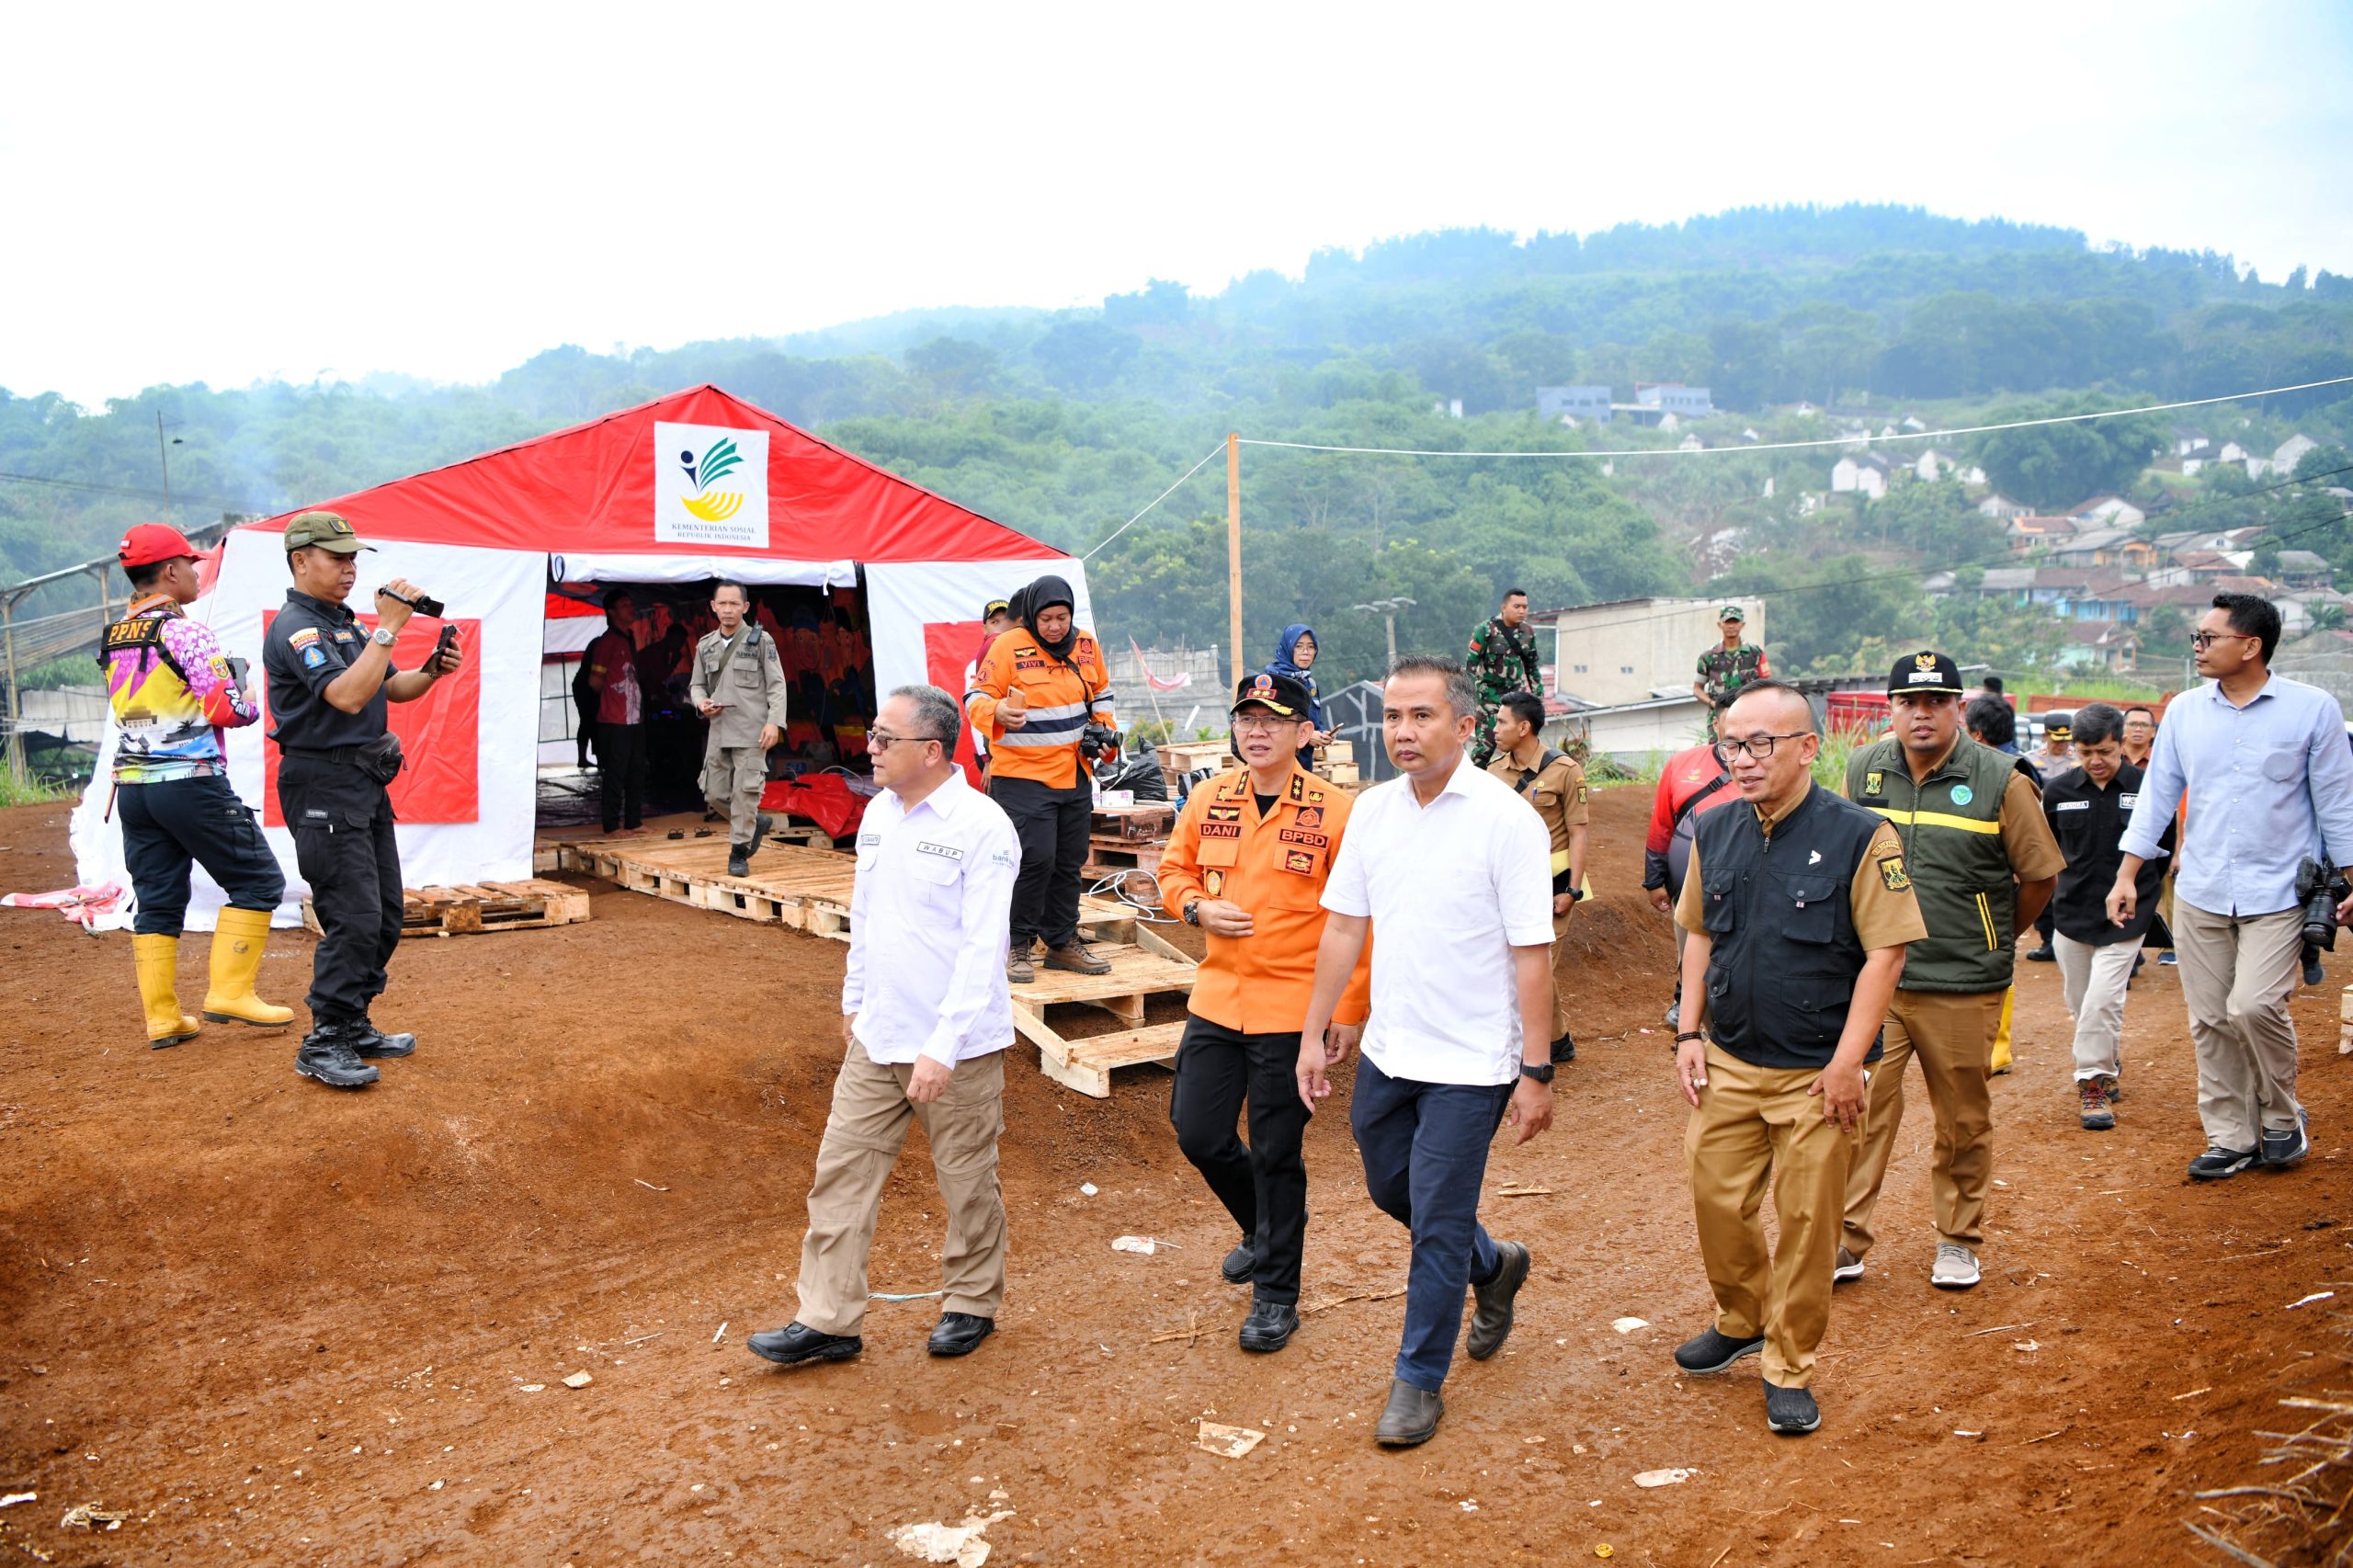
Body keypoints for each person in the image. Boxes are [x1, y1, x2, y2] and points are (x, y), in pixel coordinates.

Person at [1296, 655, 1555, 1448]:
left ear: (1466, 727)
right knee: (1389, 1188)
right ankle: (1494, 1264)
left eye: (1422, 716)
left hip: (1473, 1063)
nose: (1403, 733)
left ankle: (1417, 1382)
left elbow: (1533, 953)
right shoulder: (1374, 812)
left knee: (1436, 1224)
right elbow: (1344, 925)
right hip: (1390, 1047)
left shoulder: (1507, 821)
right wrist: (1315, 1030)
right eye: (1394, 717)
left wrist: (1535, 1070)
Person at [1671, 681, 1923, 1436]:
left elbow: (1886, 954)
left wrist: (1850, 1064)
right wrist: (1688, 1033)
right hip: (1733, 1060)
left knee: (1809, 1221)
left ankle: (1788, 1362)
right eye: (1730, 745)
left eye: (1759, 745)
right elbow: (1698, 935)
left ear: (1808, 748)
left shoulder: (1860, 836)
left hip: (1819, 1072)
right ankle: (1743, 1317)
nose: (1741, 761)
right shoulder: (1713, 830)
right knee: (1716, 1199)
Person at [747, 686, 1020, 1368]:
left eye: (882, 739)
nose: (869, 749)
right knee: (840, 1173)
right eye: (872, 736)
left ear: (931, 750)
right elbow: (866, 920)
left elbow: (982, 950)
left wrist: (942, 1048)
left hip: (955, 1048)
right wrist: (855, 998)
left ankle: (971, 1302)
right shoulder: (877, 818)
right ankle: (828, 1319)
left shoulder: (983, 827)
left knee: (966, 1180)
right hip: (879, 1034)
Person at [1158, 671, 1371, 1353]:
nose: (1256, 730)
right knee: (1197, 1132)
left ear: (1304, 734)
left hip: (1294, 1009)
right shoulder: (1208, 798)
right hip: (1219, 997)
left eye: (1274, 720)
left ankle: (1277, 1294)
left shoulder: (1340, 811)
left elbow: (1365, 920)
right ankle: (1262, 1226)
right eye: (1247, 718)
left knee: (1279, 1152)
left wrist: (1348, 1009)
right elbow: (1172, 871)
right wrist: (1194, 907)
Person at [2110, 592, 2353, 1179]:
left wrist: (2350, 878)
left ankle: (2279, 1117)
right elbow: (2157, 798)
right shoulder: (2186, 712)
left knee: (2254, 1004)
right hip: (2201, 889)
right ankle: (2230, 1136)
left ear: (2251, 645)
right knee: (2212, 1017)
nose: (2197, 647)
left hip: (2280, 892)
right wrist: (2126, 874)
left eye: (2208, 638)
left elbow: (2337, 803)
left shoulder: (2312, 710)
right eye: (2197, 637)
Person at [1840, 651, 2062, 1290]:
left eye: (1936, 701)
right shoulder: (1864, 769)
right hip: (1878, 982)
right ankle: (1847, 1241)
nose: (1922, 713)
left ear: (1959, 708)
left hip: (1962, 984)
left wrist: (1991, 937)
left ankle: (1958, 1240)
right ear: (1891, 709)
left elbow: (2039, 877)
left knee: (1962, 1119)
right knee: (1859, 1114)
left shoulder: (2001, 780)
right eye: (1908, 702)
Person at [262, 510, 464, 1090]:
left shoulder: (344, 624)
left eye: (354, 558)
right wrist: (389, 627)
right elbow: (348, 696)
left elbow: (389, 686)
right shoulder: (298, 628)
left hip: (361, 786)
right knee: (352, 917)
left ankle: (353, 1022)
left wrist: (431, 671)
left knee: (384, 916)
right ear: (301, 560)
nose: (351, 568)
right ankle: (323, 1040)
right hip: (323, 786)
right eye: (337, 557)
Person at [103, 524, 290, 1048]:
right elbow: (228, 711)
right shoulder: (185, 632)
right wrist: (246, 691)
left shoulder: (114, 634)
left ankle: (163, 1018)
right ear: (169, 572)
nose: (196, 571)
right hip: (189, 781)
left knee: (157, 898)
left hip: (135, 787)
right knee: (258, 881)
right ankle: (230, 993)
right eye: (191, 564)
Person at [966, 574, 1117, 983]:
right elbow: (976, 698)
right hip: (1023, 776)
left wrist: (1102, 729)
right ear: (1032, 615)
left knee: (1069, 862)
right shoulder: (1007, 646)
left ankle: (1062, 942)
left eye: (1062, 617)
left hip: (1075, 773)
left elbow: (1101, 693)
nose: (1054, 626)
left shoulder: (1086, 645)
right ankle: (1017, 944)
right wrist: (995, 713)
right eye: (1046, 618)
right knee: (1034, 860)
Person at [2042, 704, 2172, 1131]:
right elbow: (2048, 850)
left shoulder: (2149, 788)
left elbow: (2164, 845)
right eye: (2085, 752)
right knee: (2082, 1004)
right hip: (2073, 913)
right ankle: (2106, 1057)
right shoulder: (2057, 792)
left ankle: (2092, 1083)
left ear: (2122, 744)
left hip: (2128, 916)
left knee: (2102, 1000)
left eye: (2105, 751)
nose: (2096, 760)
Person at [1487, 689, 1587, 1063]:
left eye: (1501, 721)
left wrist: (1573, 890)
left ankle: (1524, 1053)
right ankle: (1558, 1040)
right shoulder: (1494, 770)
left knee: (1534, 966)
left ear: (1524, 727)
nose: (1494, 728)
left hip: (1553, 887)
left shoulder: (1565, 770)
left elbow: (1579, 831)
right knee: (1532, 965)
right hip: (1510, 887)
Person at [1644, 697, 1741, 1028]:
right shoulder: (1682, 765)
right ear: (1715, 725)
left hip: (1744, 886)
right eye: (1729, 721)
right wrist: (1654, 880)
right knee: (1689, 945)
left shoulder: (1764, 771)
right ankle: (1685, 1001)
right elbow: (1662, 825)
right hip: (1686, 885)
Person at [689, 581, 788, 878]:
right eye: (723, 604)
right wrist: (700, 702)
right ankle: (754, 821)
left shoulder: (762, 641)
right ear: (713, 606)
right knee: (713, 793)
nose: (728, 610)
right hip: (719, 730)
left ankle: (739, 853)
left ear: (745, 607)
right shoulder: (705, 645)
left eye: (735, 604)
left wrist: (774, 722)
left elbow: (777, 685)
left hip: (752, 731)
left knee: (745, 792)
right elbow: (696, 685)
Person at [584, 589, 648, 837]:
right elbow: (594, 681)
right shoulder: (607, 642)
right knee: (616, 772)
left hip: (634, 720)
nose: (631, 608)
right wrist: (614, 700)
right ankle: (611, 826)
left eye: (631, 603)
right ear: (611, 612)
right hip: (614, 721)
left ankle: (634, 821)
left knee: (637, 770)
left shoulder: (628, 638)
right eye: (625, 604)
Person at [1465, 588, 1543, 767]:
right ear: (1504, 607)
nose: (1522, 611)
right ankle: (1474, 787)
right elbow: (1470, 668)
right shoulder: (1484, 631)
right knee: (1485, 748)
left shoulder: (1528, 633)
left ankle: (1518, 787)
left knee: (1521, 745)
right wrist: (1469, 700)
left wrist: (1538, 699)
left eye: (1525, 607)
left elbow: (1532, 668)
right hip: (1488, 699)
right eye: (1517, 606)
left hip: (1516, 699)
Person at [1265, 624, 1335, 769]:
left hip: (1303, 769)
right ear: (1288, 649)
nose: (1306, 652)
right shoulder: (1273, 683)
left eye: (1310, 647)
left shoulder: (1311, 684)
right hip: (1276, 769)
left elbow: (1315, 723)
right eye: (1299, 646)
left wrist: (1322, 735)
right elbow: (1269, 727)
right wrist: (1307, 736)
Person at [964, 597, 1015, 781]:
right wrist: (987, 760)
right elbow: (975, 714)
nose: (1000, 628)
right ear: (984, 628)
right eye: (994, 622)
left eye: (1005, 621)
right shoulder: (976, 666)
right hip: (994, 755)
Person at [1692, 604, 1770, 709]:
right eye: (1727, 622)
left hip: (1748, 713)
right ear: (1720, 624)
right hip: (1719, 717)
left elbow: (1767, 685)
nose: (1731, 626)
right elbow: (1697, 689)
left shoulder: (1755, 653)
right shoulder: (1708, 657)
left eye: (1735, 622)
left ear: (1742, 624)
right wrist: (1711, 703)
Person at [2121, 704, 2156, 768]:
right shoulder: (2112, 756)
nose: (2138, 729)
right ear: (2122, 728)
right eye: (2132, 724)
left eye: (2144, 725)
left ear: (2153, 732)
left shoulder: (2160, 759)